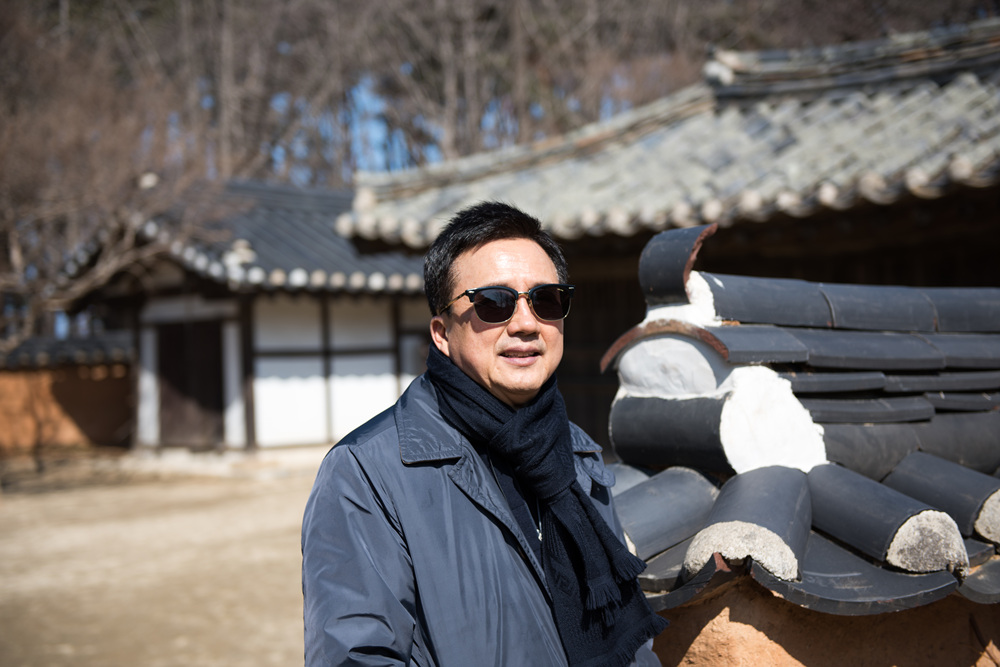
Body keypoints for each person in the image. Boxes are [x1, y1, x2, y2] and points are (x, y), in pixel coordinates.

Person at [302, 201, 667, 666]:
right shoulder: (366, 472)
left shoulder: (576, 452)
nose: (526, 324)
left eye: (546, 300)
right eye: (494, 302)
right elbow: (356, 657)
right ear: (441, 332)